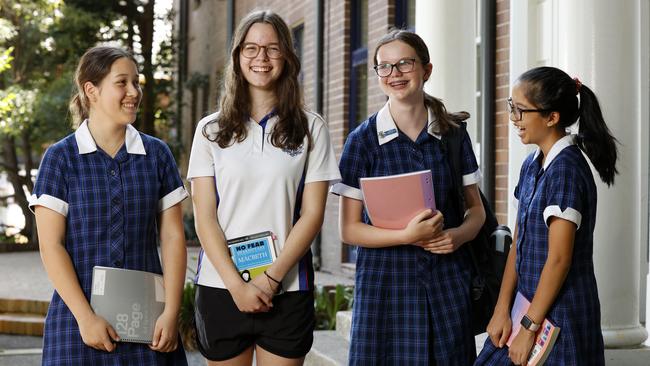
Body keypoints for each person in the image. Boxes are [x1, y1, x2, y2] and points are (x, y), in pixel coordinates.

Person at [186, 10, 340, 366]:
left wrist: (269, 280)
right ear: (237, 56)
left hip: (287, 288)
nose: (261, 58)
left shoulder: (310, 128)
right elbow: (204, 217)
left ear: (286, 56)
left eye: (272, 49)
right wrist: (238, 285)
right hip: (221, 285)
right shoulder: (210, 130)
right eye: (251, 48)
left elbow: (313, 215)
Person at [331, 29, 485, 365]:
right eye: (384, 67)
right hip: (384, 286)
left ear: (426, 70)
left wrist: (457, 236)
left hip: (446, 281)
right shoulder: (362, 141)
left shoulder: (453, 135)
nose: (394, 74)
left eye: (404, 64)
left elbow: (477, 212)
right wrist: (406, 236)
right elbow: (349, 230)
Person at [29, 46, 189, 365]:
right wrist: (86, 318)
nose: (133, 92)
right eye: (122, 83)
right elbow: (51, 246)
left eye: (136, 82)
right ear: (92, 90)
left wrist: (171, 312)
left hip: (149, 326)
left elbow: (173, 239)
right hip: (76, 324)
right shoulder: (60, 159)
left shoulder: (157, 156)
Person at [475, 66, 617, 365]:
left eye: (522, 111)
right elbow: (519, 242)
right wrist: (502, 309)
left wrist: (529, 328)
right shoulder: (531, 165)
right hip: (526, 308)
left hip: (560, 318)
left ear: (552, 117)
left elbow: (559, 259)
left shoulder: (566, 170)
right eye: (512, 108)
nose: (514, 119)